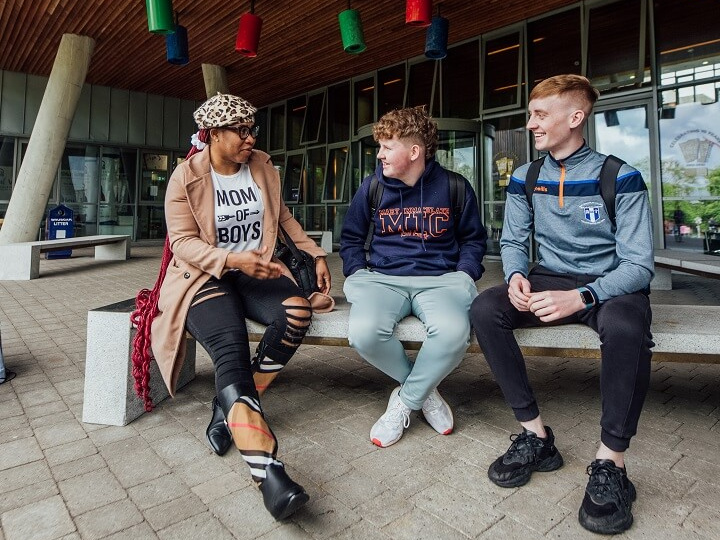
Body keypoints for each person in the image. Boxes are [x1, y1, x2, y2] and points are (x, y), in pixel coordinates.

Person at [130, 93, 334, 521]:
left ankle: (232, 406)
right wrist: (230, 259)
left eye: (251, 129)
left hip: (255, 269)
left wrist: (315, 254)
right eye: (241, 131)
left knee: (297, 312)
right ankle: (270, 474)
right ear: (213, 135)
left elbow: (283, 219)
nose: (250, 138)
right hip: (204, 276)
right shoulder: (185, 178)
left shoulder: (261, 165)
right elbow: (182, 243)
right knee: (231, 346)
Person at [470, 75, 654, 536]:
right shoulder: (526, 177)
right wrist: (515, 275)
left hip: (609, 284)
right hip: (548, 277)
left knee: (628, 329)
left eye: (539, 114)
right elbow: (513, 240)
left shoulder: (621, 175)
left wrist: (582, 296)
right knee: (485, 309)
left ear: (575, 118)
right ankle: (536, 436)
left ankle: (611, 462)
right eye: (530, 114)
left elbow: (639, 264)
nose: (530, 123)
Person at [339, 106, 487, 448]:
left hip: (440, 279)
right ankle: (424, 392)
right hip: (383, 279)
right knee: (363, 334)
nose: (380, 155)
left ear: (414, 151)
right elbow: (350, 238)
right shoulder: (373, 186)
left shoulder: (454, 186)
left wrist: (466, 275)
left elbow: (473, 240)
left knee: (453, 334)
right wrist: (357, 271)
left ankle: (404, 403)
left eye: (387, 147)